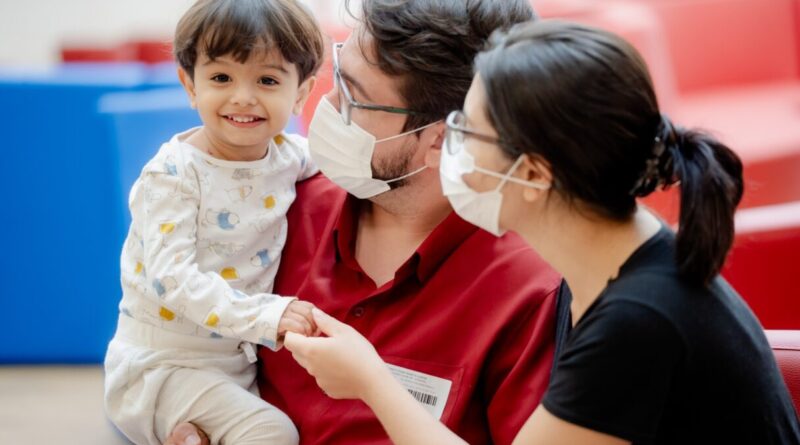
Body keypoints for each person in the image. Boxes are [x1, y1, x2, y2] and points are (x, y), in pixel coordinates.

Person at [284, 20, 800, 445]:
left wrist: (373, 382)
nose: (449, 145)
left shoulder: (638, 321)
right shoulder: (612, 265)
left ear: (532, 174)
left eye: (468, 130)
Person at [166, 1, 566, 444]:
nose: (329, 103)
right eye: (337, 73)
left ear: (441, 140)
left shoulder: (528, 293)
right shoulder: (276, 210)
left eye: (354, 96)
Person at [103, 1, 325, 444]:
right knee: (272, 432)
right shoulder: (173, 175)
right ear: (190, 84)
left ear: (301, 92)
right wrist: (268, 313)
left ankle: (188, 436)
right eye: (221, 78)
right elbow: (173, 278)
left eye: (267, 80)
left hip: (234, 362)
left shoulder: (289, 155)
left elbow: (345, 165)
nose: (242, 96)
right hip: (161, 365)